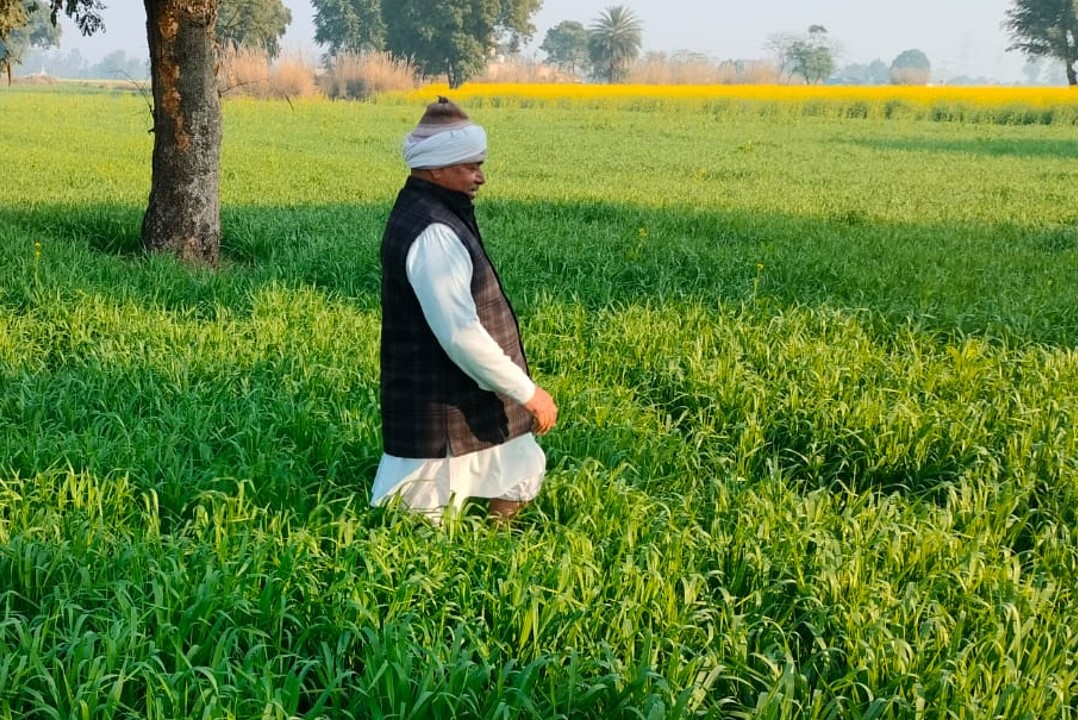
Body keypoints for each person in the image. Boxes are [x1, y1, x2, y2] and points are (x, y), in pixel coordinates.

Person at [371, 96, 558, 524]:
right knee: (419, 521)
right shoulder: (434, 231)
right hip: (435, 401)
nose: (481, 177)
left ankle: (492, 547)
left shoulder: (432, 210)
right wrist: (528, 392)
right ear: (436, 168)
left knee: (520, 464)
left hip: (455, 389)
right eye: (471, 167)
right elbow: (460, 334)